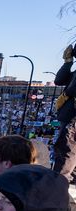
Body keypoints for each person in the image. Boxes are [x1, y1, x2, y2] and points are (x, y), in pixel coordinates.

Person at [53, 44, 76, 182]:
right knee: (64, 146)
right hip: (68, 113)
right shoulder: (74, 73)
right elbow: (59, 80)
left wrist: (67, 93)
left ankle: (60, 181)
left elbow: (72, 89)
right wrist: (68, 63)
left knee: (68, 146)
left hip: (72, 115)